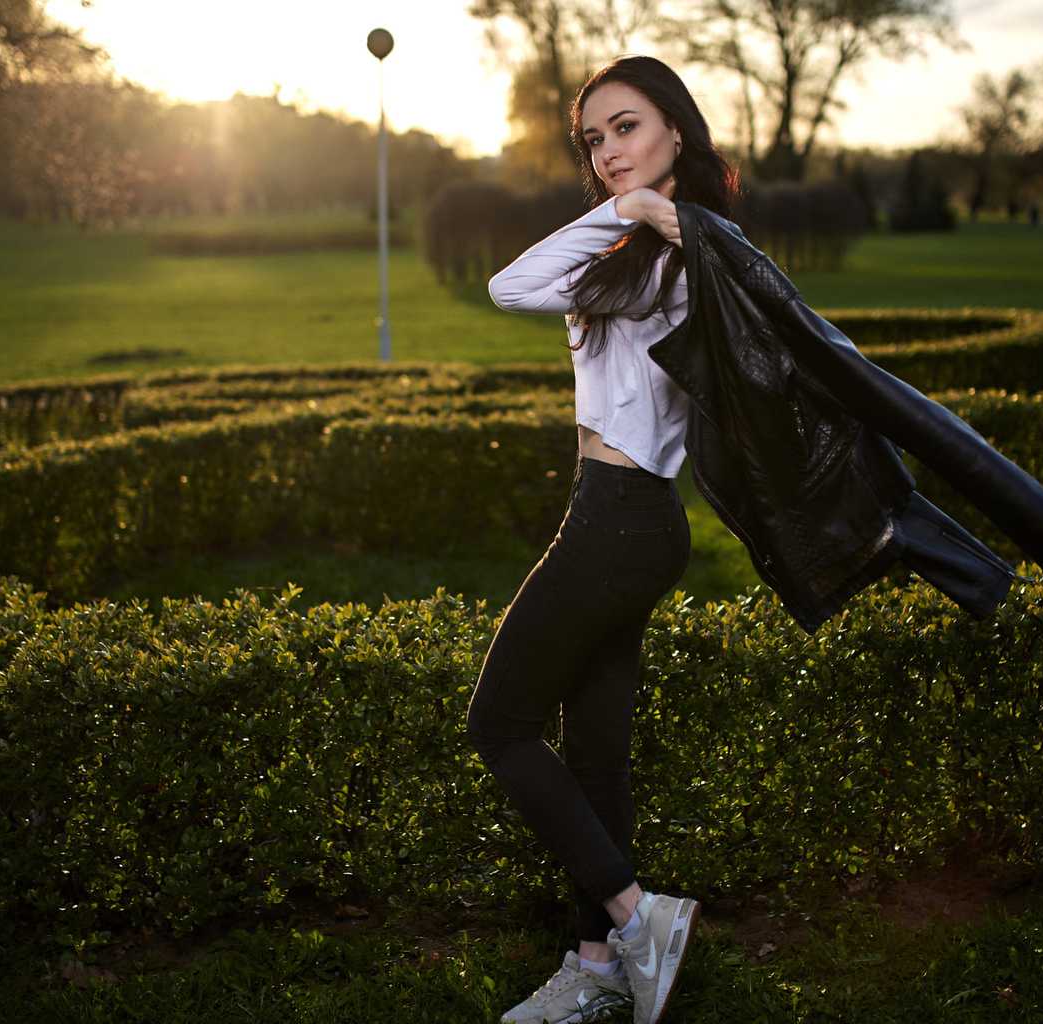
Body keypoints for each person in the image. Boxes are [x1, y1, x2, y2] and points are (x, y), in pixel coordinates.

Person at [466, 55, 739, 1024]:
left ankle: (634, 916)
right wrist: (623, 211)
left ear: (675, 127)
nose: (608, 150)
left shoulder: (697, 250)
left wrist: (661, 220)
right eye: (594, 138)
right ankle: (596, 968)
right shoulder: (628, 241)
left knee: (496, 723)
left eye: (626, 127)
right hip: (622, 514)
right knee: (595, 757)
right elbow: (512, 284)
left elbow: (506, 287)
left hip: (619, 518)